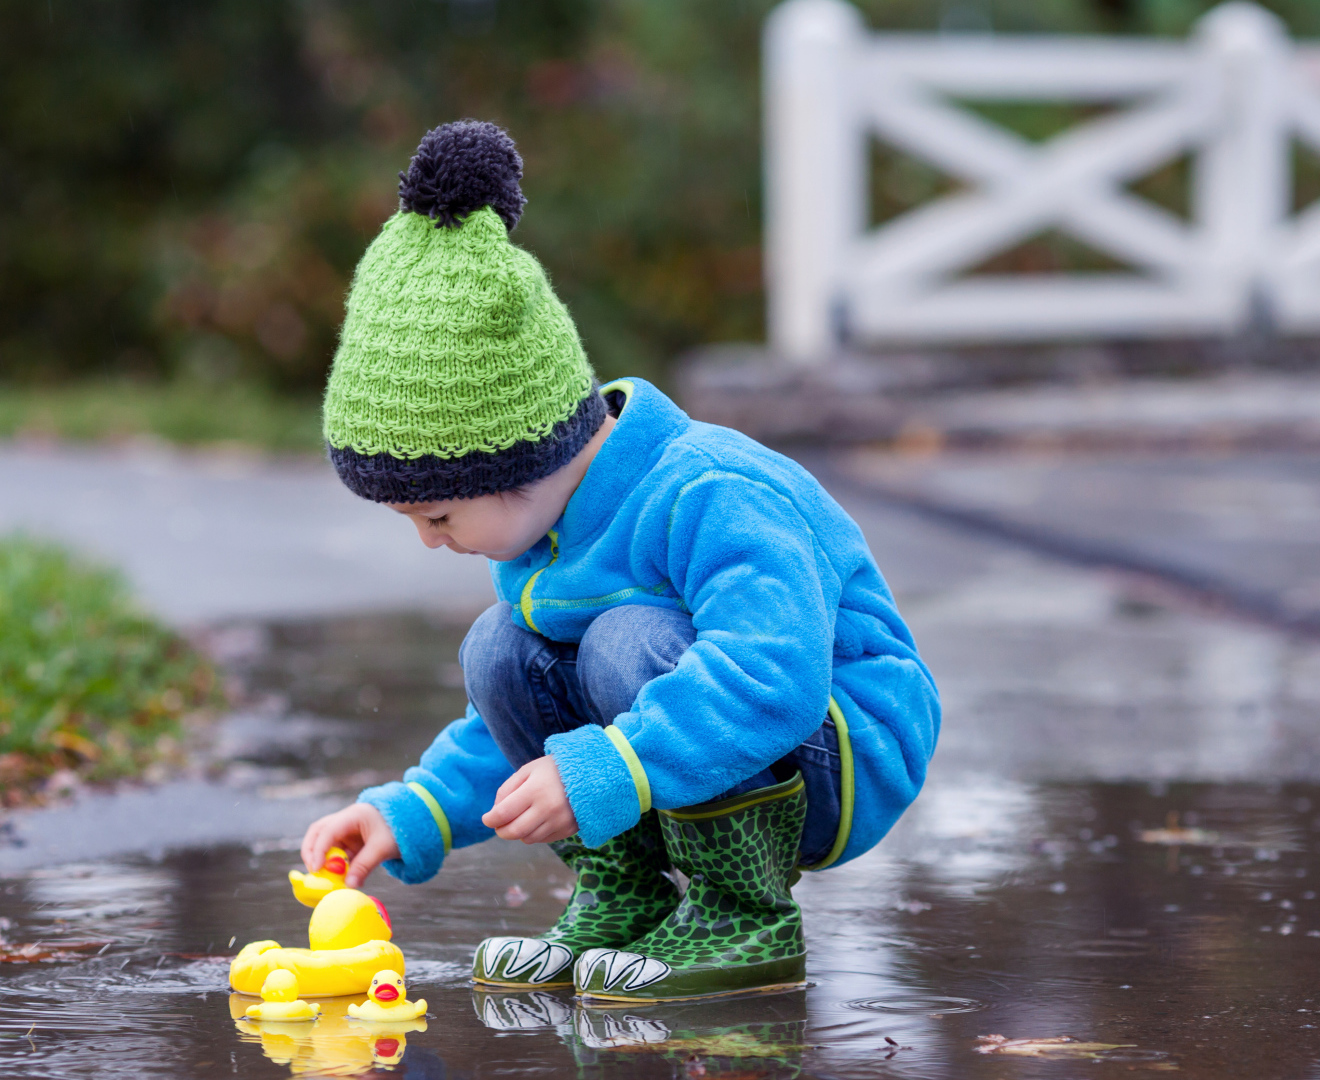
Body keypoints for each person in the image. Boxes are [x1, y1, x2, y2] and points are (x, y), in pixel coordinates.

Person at [300, 119, 940, 1003]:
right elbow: (518, 722)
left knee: (622, 641)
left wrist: (608, 769)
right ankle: (626, 896)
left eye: (437, 514)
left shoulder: (708, 491)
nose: (428, 540)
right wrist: (414, 811)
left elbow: (775, 671)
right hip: (696, 741)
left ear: (518, 461)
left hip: (839, 747)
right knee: (502, 649)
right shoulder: (545, 532)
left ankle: (742, 912)